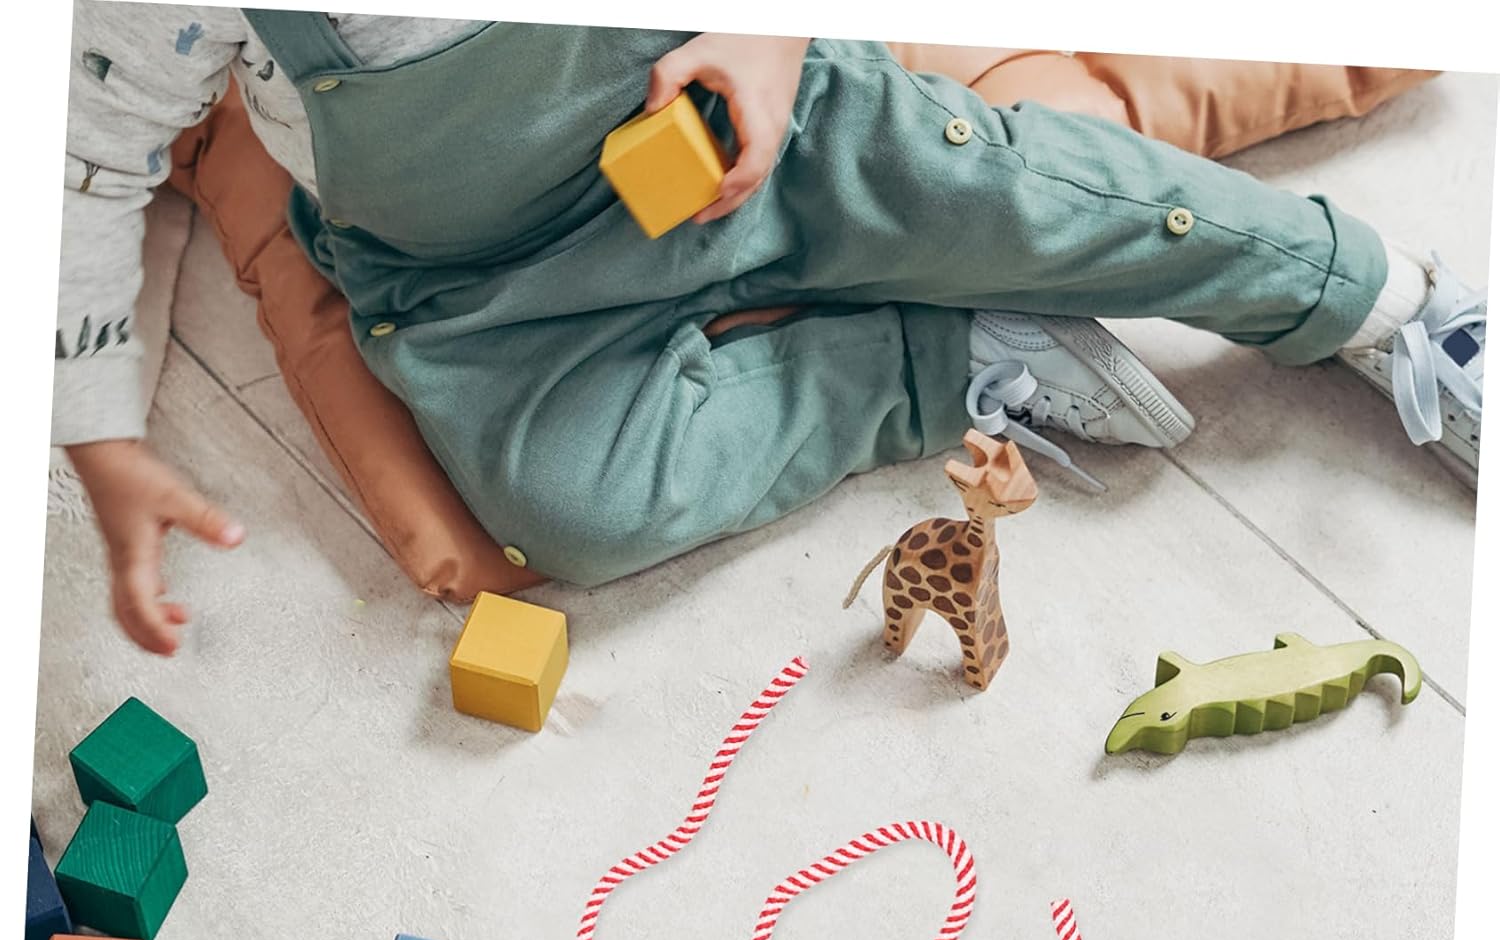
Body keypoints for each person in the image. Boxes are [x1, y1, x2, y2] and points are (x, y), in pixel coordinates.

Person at [56, 9, 1485, 656]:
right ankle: (943, 360)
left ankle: (1378, 301)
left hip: (755, 125)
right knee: (571, 507)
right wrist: (102, 434)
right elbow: (87, 165)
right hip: (487, 282)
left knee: (1021, 189)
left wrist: (772, 34)